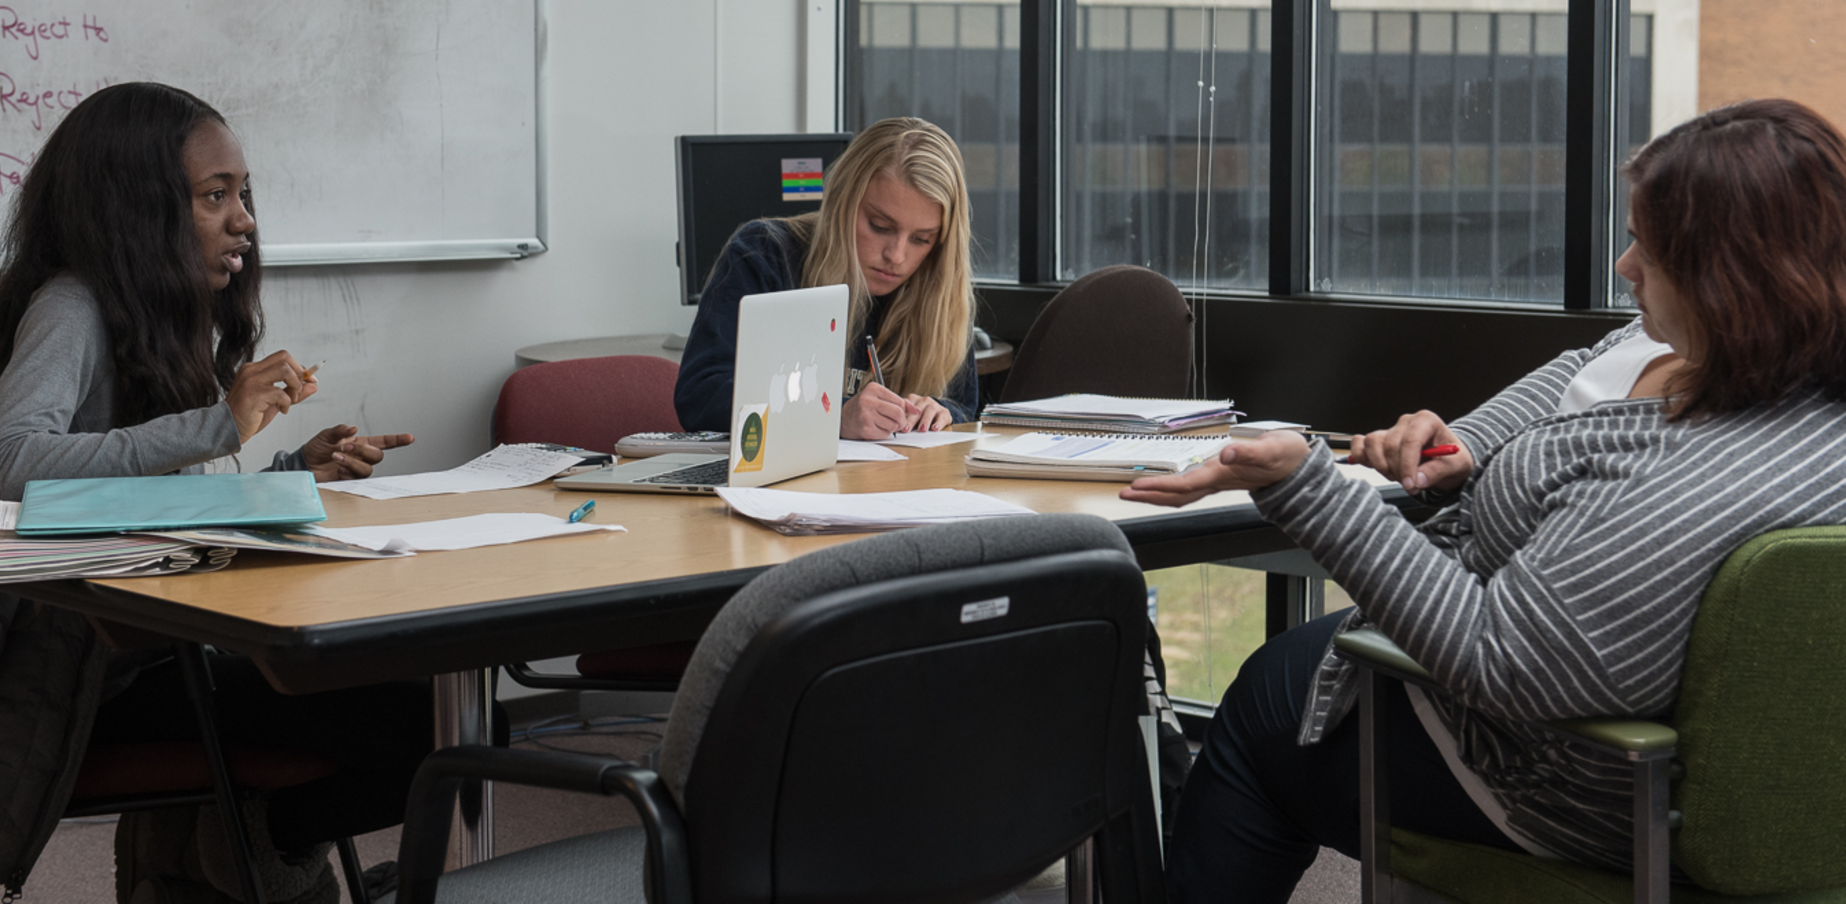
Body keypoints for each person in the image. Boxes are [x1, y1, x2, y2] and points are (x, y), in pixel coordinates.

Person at [1125, 98, 1846, 901]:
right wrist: (1464, 448)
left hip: (1581, 789)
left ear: (1729, 275)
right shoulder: (1793, 398)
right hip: (1793, 794)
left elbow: (1502, 663)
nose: (1624, 266)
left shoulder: (1679, 484)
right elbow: (1604, 359)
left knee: (1266, 705)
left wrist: (1304, 484)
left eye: (1649, 244)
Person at [0, 82, 427, 899]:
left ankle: (230, 846)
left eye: (244, 195)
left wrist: (292, 477)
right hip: (88, 684)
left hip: (161, 646)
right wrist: (218, 423)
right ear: (139, 211)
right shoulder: (73, 306)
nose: (244, 220)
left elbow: (150, 500)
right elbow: (4, 469)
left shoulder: (161, 322)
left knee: (419, 699)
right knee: (418, 721)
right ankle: (249, 843)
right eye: (216, 197)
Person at [675, 116, 979, 440]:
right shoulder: (765, 254)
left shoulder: (938, 289)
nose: (897, 255)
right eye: (880, 226)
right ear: (843, 203)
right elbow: (700, 396)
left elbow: (963, 404)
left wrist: (938, 413)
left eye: (922, 239)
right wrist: (833, 416)